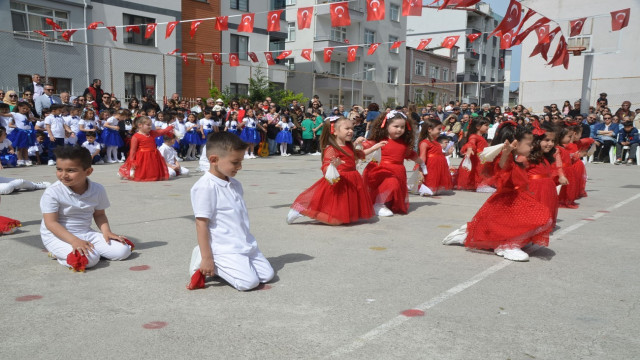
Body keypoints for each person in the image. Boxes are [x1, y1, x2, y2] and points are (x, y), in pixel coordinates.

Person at [442, 122, 552, 262]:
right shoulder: (506, 158)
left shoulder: (518, 159)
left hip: (516, 199)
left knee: (534, 220)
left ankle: (475, 235)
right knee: (540, 217)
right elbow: (502, 167)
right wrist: (506, 153)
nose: (532, 147)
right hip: (507, 202)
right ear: (516, 144)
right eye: (529, 144)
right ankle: (507, 246)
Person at [187, 132, 274, 291]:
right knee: (248, 283)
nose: (239, 167)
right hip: (225, 247)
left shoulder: (235, 184)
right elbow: (201, 224)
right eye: (235, 162)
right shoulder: (205, 187)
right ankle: (205, 258)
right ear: (214, 160)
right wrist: (207, 258)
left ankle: (230, 265)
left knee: (267, 276)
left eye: (240, 161)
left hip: (244, 244)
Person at [40, 146, 132, 271]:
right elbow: (51, 223)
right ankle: (58, 254)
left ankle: (84, 250)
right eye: (59, 169)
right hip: (57, 236)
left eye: (71, 170)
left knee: (123, 250)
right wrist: (74, 241)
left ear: (88, 171)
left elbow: (99, 215)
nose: (63, 175)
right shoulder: (52, 192)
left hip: (85, 232)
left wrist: (107, 232)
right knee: (89, 260)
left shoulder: (97, 189)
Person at [288, 116, 385, 225]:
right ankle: (301, 210)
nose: (351, 131)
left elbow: (358, 155)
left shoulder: (349, 145)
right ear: (335, 131)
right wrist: (333, 166)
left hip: (352, 180)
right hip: (339, 181)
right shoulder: (331, 149)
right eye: (347, 128)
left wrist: (374, 148)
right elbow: (325, 167)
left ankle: (333, 214)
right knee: (336, 220)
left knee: (348, 214)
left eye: (352, 128)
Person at [362, 111, 426, 217]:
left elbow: (412, 155)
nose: (399, 129)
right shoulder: (380, 141)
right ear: (386, 126)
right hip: (381, 170)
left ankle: (382, 203)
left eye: (402, 127)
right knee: (391, 183)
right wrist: (358, 144)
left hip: (397, 171)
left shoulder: (404, 144)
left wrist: (421, 163)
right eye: (396, 126)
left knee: (392, 187)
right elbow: (366, 147)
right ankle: (378, 204)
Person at [525, 121, 560, 229]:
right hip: (534, 192)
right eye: (547, 140)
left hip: (547, 191)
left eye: (553, 141)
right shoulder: (527, 157)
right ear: (537, 140)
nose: (550, 144)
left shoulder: (545, 157)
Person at [118, 116, 174, 181]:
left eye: (150, 125)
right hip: (142, 156)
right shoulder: (136, 136)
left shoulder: (152, 133)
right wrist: (132, 160)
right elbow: (133, 150)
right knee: (144, 168)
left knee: (152, 167)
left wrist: (169, 128)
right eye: (148, 125)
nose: (150, 126)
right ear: (140, 125)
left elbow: (161, 132)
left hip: (153, 155)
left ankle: (152, 176)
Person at [417, 118, 453, 195]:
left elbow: (439, 153)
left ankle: (431, 190)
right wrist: (420, 171)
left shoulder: (435, 142)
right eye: (439, 129)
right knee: (431, 180)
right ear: (429, 129)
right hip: (431, 166)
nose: (440, 131)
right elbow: (422, 158)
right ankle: (426, 189)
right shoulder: (425, 143)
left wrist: (447, 153)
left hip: (439, 166)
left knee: (437, 182)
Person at [456, 117, 490, 191]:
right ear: (478, 127)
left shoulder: (482, 137)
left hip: (480, 159)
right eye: (486, 125)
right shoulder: (474, 136)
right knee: (475, 173)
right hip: (476, 159)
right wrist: (469, 148)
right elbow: (471, 142)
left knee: (479, 173)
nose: (488, 127)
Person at [556, 126, 578, 209]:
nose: (570, 138)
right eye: (569, 136)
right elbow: (558, 161)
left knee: (568, 187)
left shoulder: (563, 147)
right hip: (563, 170)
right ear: (560, 136)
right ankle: (561, 200)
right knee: (563, 187)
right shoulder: (558, 148)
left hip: (568, 169)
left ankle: (566, 199)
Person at [8, 101, 35, 166]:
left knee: (26, 147)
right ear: (19, 107)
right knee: (20, 147)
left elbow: (33, 120)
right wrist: (16, 126)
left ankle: (26, 159)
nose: (25, 110)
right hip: (20, 132)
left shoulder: (27, 115)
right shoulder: (15, 114)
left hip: (27, 133)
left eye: (27, 109)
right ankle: (20, 159)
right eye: (24, 108)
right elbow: (10, 123)